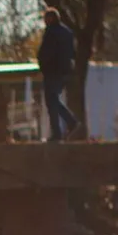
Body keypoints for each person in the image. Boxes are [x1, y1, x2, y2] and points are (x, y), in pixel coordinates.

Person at [37, 8, 80, 142]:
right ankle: (68, 123)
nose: (44, 21)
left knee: (51, 101)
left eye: (45, 18)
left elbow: (46, 53)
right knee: (54, 99)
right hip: (64, 71)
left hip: (52, 71)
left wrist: (42, 64)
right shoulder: (67, 32)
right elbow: (73, 52)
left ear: (50, 18)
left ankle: (59, 131)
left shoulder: (51, 32)